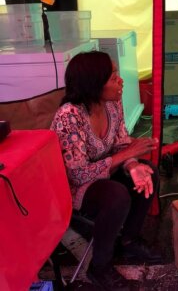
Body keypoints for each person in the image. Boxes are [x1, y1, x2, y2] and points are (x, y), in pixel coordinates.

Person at [51, 51, 161, 290]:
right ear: (93, 84)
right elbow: (77, 174)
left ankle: (129, 240)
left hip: (105, 172)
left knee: (148, 171)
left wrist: (133, 166)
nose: (120, 81)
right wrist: (126, 156)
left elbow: (122, 143)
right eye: (113, 77)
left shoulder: (112, 104)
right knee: (116, 195)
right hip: (73, 186)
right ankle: (99, 267)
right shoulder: (69, 116)